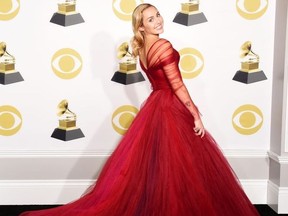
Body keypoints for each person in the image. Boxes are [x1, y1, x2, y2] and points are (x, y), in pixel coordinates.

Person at [20, 3, 260, 216]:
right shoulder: (163, 46)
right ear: (141, 27)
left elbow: (161, 82)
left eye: (157, 15)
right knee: (179, 164)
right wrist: (195, 113)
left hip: (156, 106)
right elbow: (177, 85)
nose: (158, 21)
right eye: (150, 19)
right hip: (170, 106)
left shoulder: (143, 50)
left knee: (163, 166)